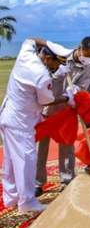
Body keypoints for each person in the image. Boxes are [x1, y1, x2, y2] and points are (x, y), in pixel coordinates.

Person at [1, 39, 74, 213]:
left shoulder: (26, 55)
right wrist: (67, 98)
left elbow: (30, 39)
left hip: (8, 114)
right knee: (27, 160)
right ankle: (27, 201)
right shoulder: (41, 74)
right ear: (48, 59)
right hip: (21, 122)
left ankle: (10, 197)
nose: (56, 69)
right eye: (57, 64)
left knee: (11, 159)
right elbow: (46, 100)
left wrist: (50, 43)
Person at [36, 37, 90, 196]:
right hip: (47, 108)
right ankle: (38, 182)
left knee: (66, 145)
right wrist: (57, 75)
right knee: (41, 147)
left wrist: (74, 92)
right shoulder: (62, 57)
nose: (87, 58)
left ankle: (67, 179)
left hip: (66, 110)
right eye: (85, 53)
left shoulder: (89, 67)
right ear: (79, 48)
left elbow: (83, 86)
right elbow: (42, 76)